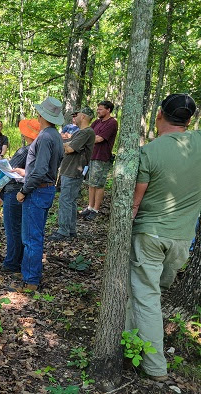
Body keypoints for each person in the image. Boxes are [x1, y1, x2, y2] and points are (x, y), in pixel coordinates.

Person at [126, 93, 201, 381]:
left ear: (160, 115)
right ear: (189, 119)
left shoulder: (149, 152)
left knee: (146, 297)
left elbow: (134, 203)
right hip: (183, 241)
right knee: (148, 290)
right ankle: (131, 339)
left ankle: (155, 367)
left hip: (150, 235)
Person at [10, 97, 64, 292]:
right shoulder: (55, 136)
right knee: (32, 234)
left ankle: (31, 280)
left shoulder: (45, 137)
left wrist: (24, 191)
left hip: (37, 191)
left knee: (31, 237)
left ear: (42, 115)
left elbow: (41, 170)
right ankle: (28, 271)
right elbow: (46, 167)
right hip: (45, 189)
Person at [48, 107, 96, 241]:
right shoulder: (81, 133)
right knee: (71, 201)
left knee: (65, 200)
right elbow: (69, 144)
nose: (75, 117)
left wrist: (58, 141)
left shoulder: (86, 132)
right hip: (71, 169)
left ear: (84, 117)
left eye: (78, 114)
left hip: (73, 170)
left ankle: (63, 231)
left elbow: (69, 148)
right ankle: (71, 230)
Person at [1, 118, 40, 273]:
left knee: (13, 229)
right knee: (20, 228)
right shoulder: (40, 149)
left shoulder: (25, 150)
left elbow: (10, 170)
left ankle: (12, 263)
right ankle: (18, 260)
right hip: (26, 192)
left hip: (15, 191)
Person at [80, 100, 118, 221]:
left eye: (101, 109)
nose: (98, 111)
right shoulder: (96, 122)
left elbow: (100, 138)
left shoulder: (112, 123)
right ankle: (90, 207)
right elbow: (88, 134)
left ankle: (96, 209)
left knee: (99, 184)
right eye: (98, 109)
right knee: (91, 183)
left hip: (102, 157)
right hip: (91, 155)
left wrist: (86, 140)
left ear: (108, 110)